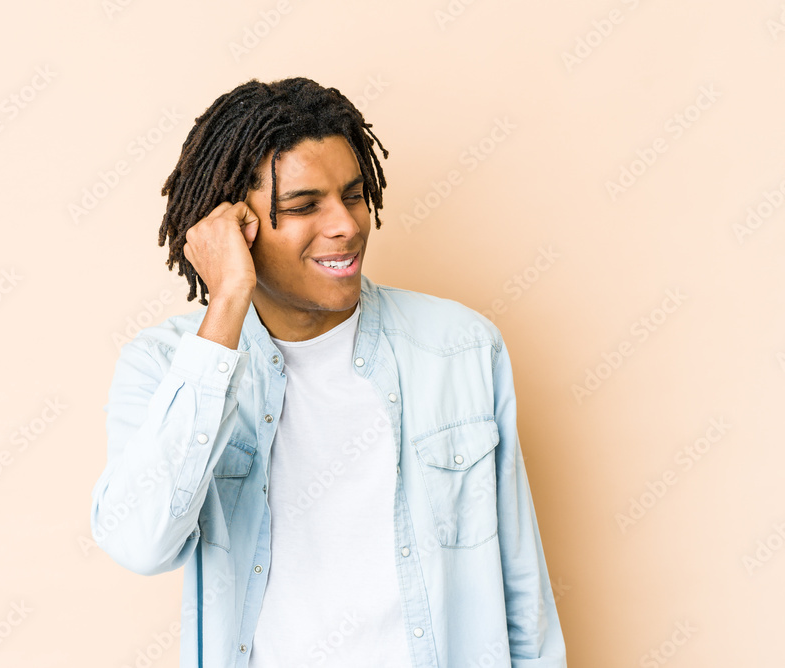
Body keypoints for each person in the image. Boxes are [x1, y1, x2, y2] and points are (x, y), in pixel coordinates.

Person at [90, 76, 568, 668]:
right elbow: (140, 543)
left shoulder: (461, 348)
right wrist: (228, 301)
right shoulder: (167, 364)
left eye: (354, 195)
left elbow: (522, 591)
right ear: (232, 224)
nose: (346, 224)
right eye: (303, 206)